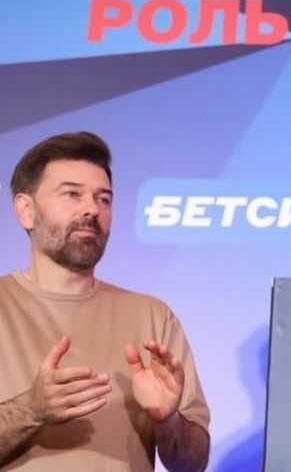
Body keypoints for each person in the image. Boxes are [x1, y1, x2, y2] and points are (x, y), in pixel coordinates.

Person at [0, 131, 209, 471]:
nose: (91, 209)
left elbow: (192, 464)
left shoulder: (152, 316)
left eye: (104, 199)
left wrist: (167, 419)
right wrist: (31, 409)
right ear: (26, 210)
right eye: (72, 194)